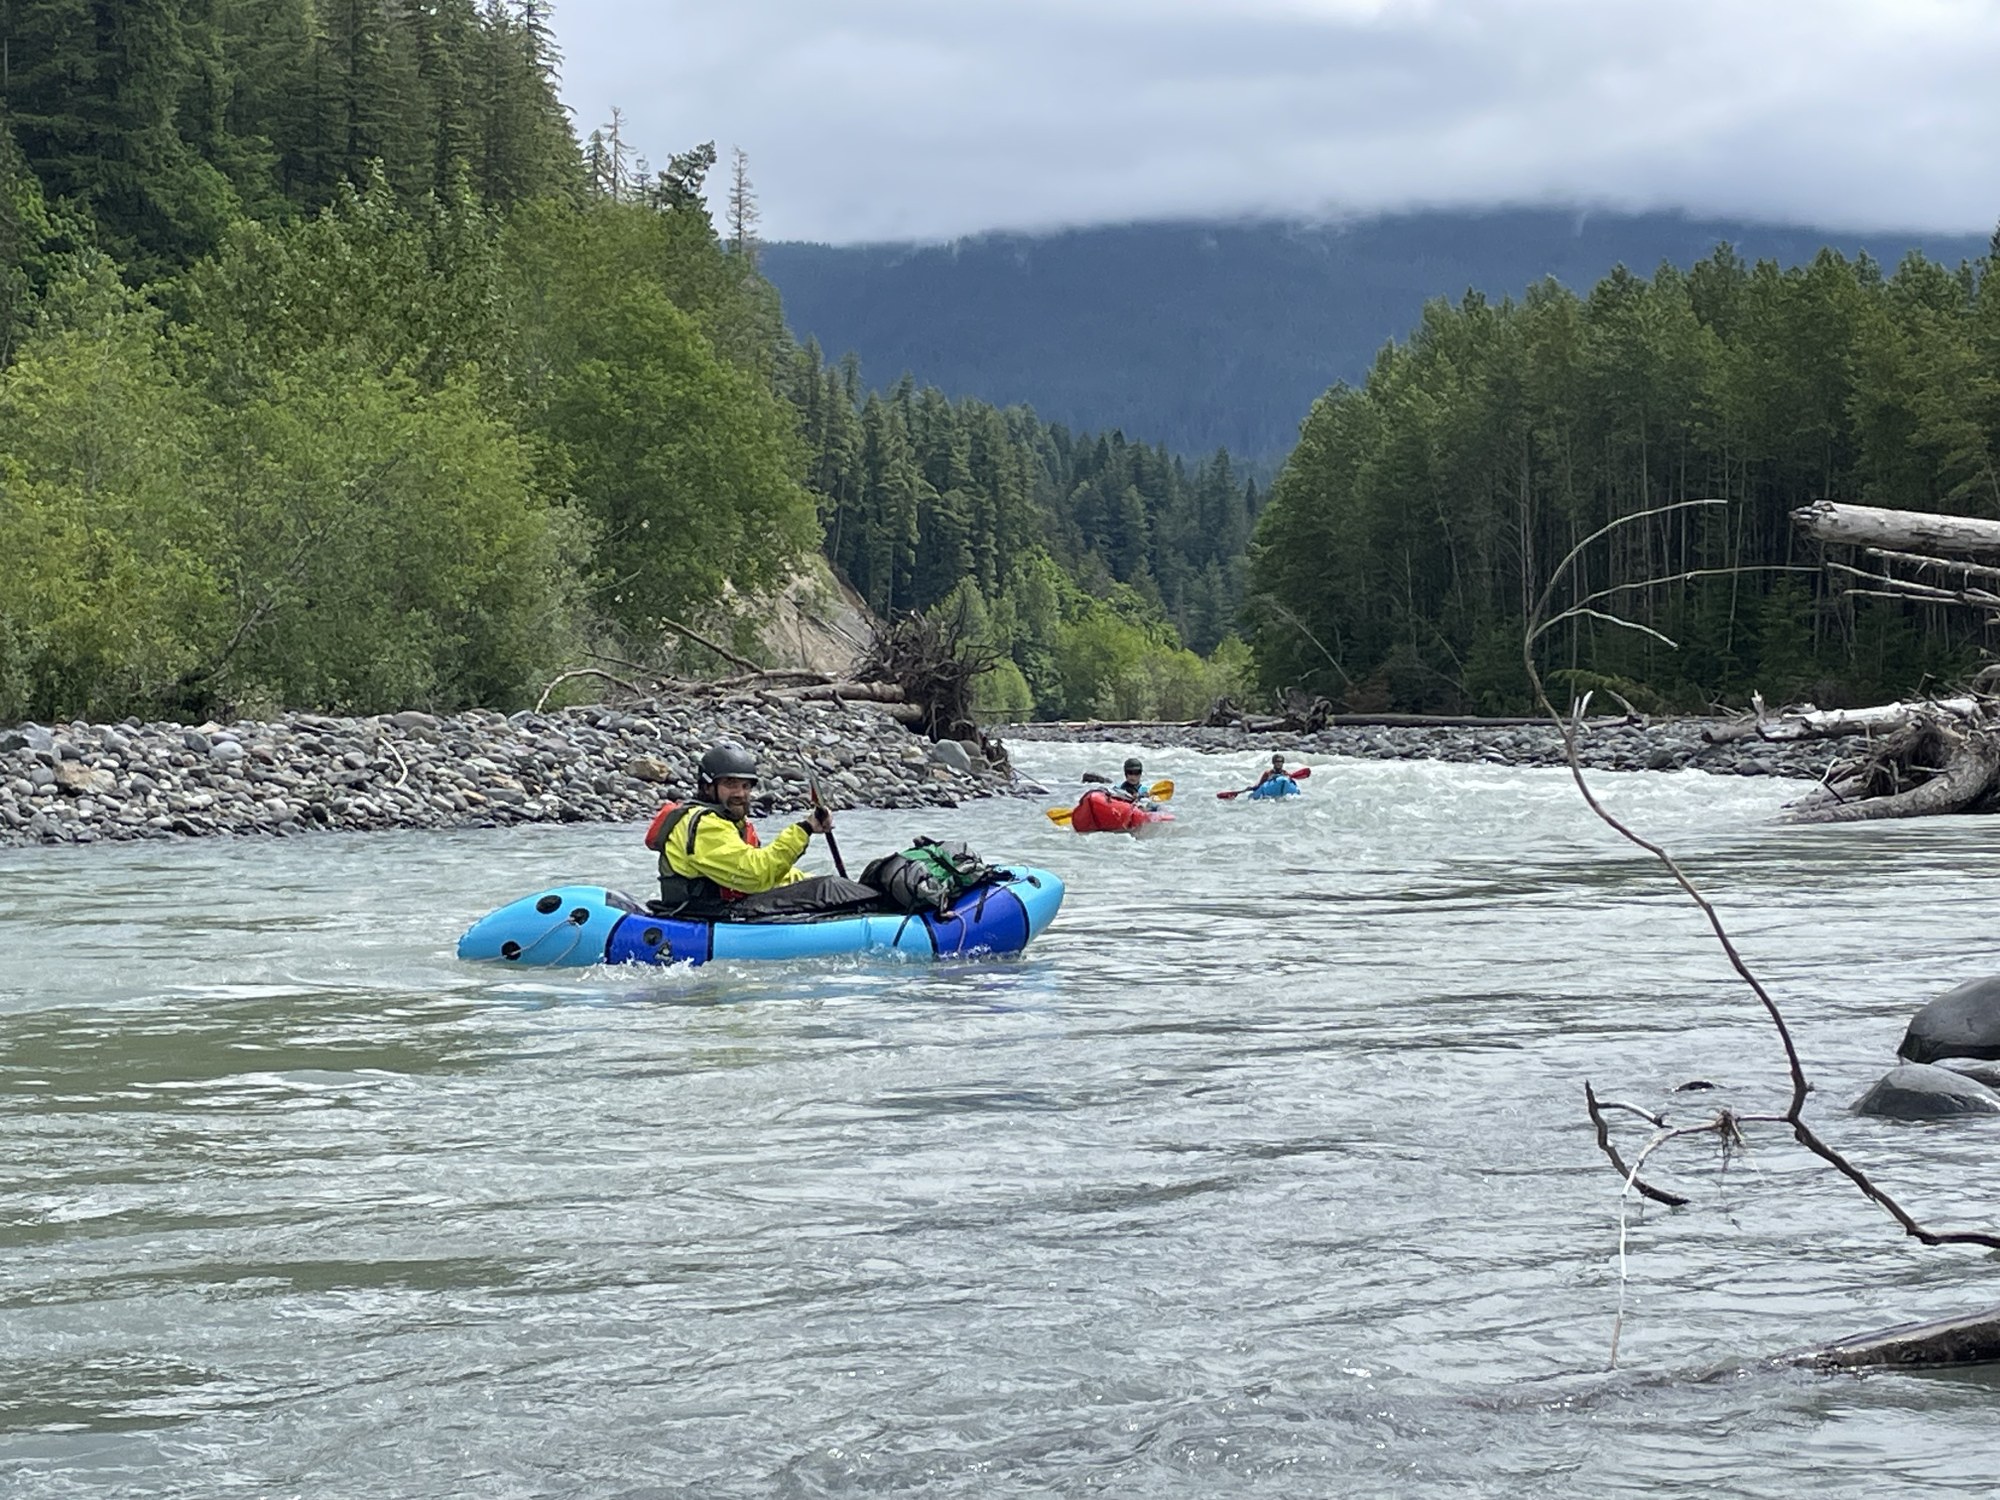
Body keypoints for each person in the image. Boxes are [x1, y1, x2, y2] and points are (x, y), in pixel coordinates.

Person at [652, 742, 874, 918]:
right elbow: (756, 874)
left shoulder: (728, 821)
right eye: (730, 784)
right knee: (826, 888)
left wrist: (810, 882)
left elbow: (772, 875)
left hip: (721, 910)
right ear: (708, 787)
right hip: (703, 916)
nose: (740, 793)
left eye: (746, 786)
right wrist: (804, 829)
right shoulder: (705, 826)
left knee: (828, 887)